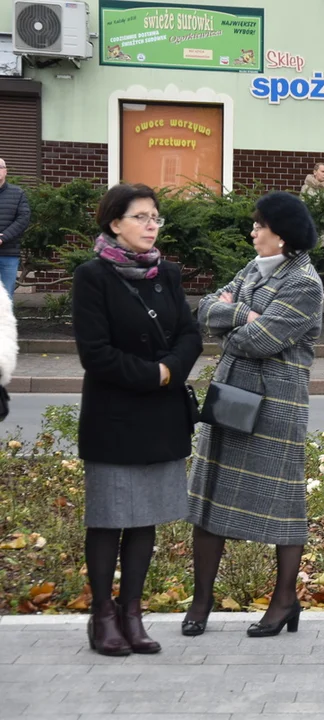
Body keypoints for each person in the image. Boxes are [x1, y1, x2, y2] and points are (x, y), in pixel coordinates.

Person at [185, 192, 324, 639]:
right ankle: (201, 601)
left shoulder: (304, 282)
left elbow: (258, 341)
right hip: (231, 396)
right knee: (210, 499)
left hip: (275, 407)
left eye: (259, 225)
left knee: (282, 505)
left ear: (280, 233)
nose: (252, 231)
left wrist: (232, 321)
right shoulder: (253, 269)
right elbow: (206, 308)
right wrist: (242, 311)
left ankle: (284, 600)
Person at [73, 183, 203, 655]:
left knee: (144, 518)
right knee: (108, 519)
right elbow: (96, 354)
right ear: (115, 224)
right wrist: (156, 373)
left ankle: (133, 613)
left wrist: (172, 368)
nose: (152, 226)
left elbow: (190, 334)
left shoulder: (166, 273)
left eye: (155, 217)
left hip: (161, 415)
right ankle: (102, 616)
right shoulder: (92, 277)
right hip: (114, 416)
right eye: (141, 217)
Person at [0, 159, 30, 299]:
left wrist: (3, 237)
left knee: (6, 297)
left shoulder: (17, 193)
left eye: (0, 167)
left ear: (6, 171)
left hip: (9, 253)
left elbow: (23, 218)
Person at [300, 162, 324, 247]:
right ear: (315, 172)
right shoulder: (306, 188)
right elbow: (302, 206)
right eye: (322, 171)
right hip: (311, 225)